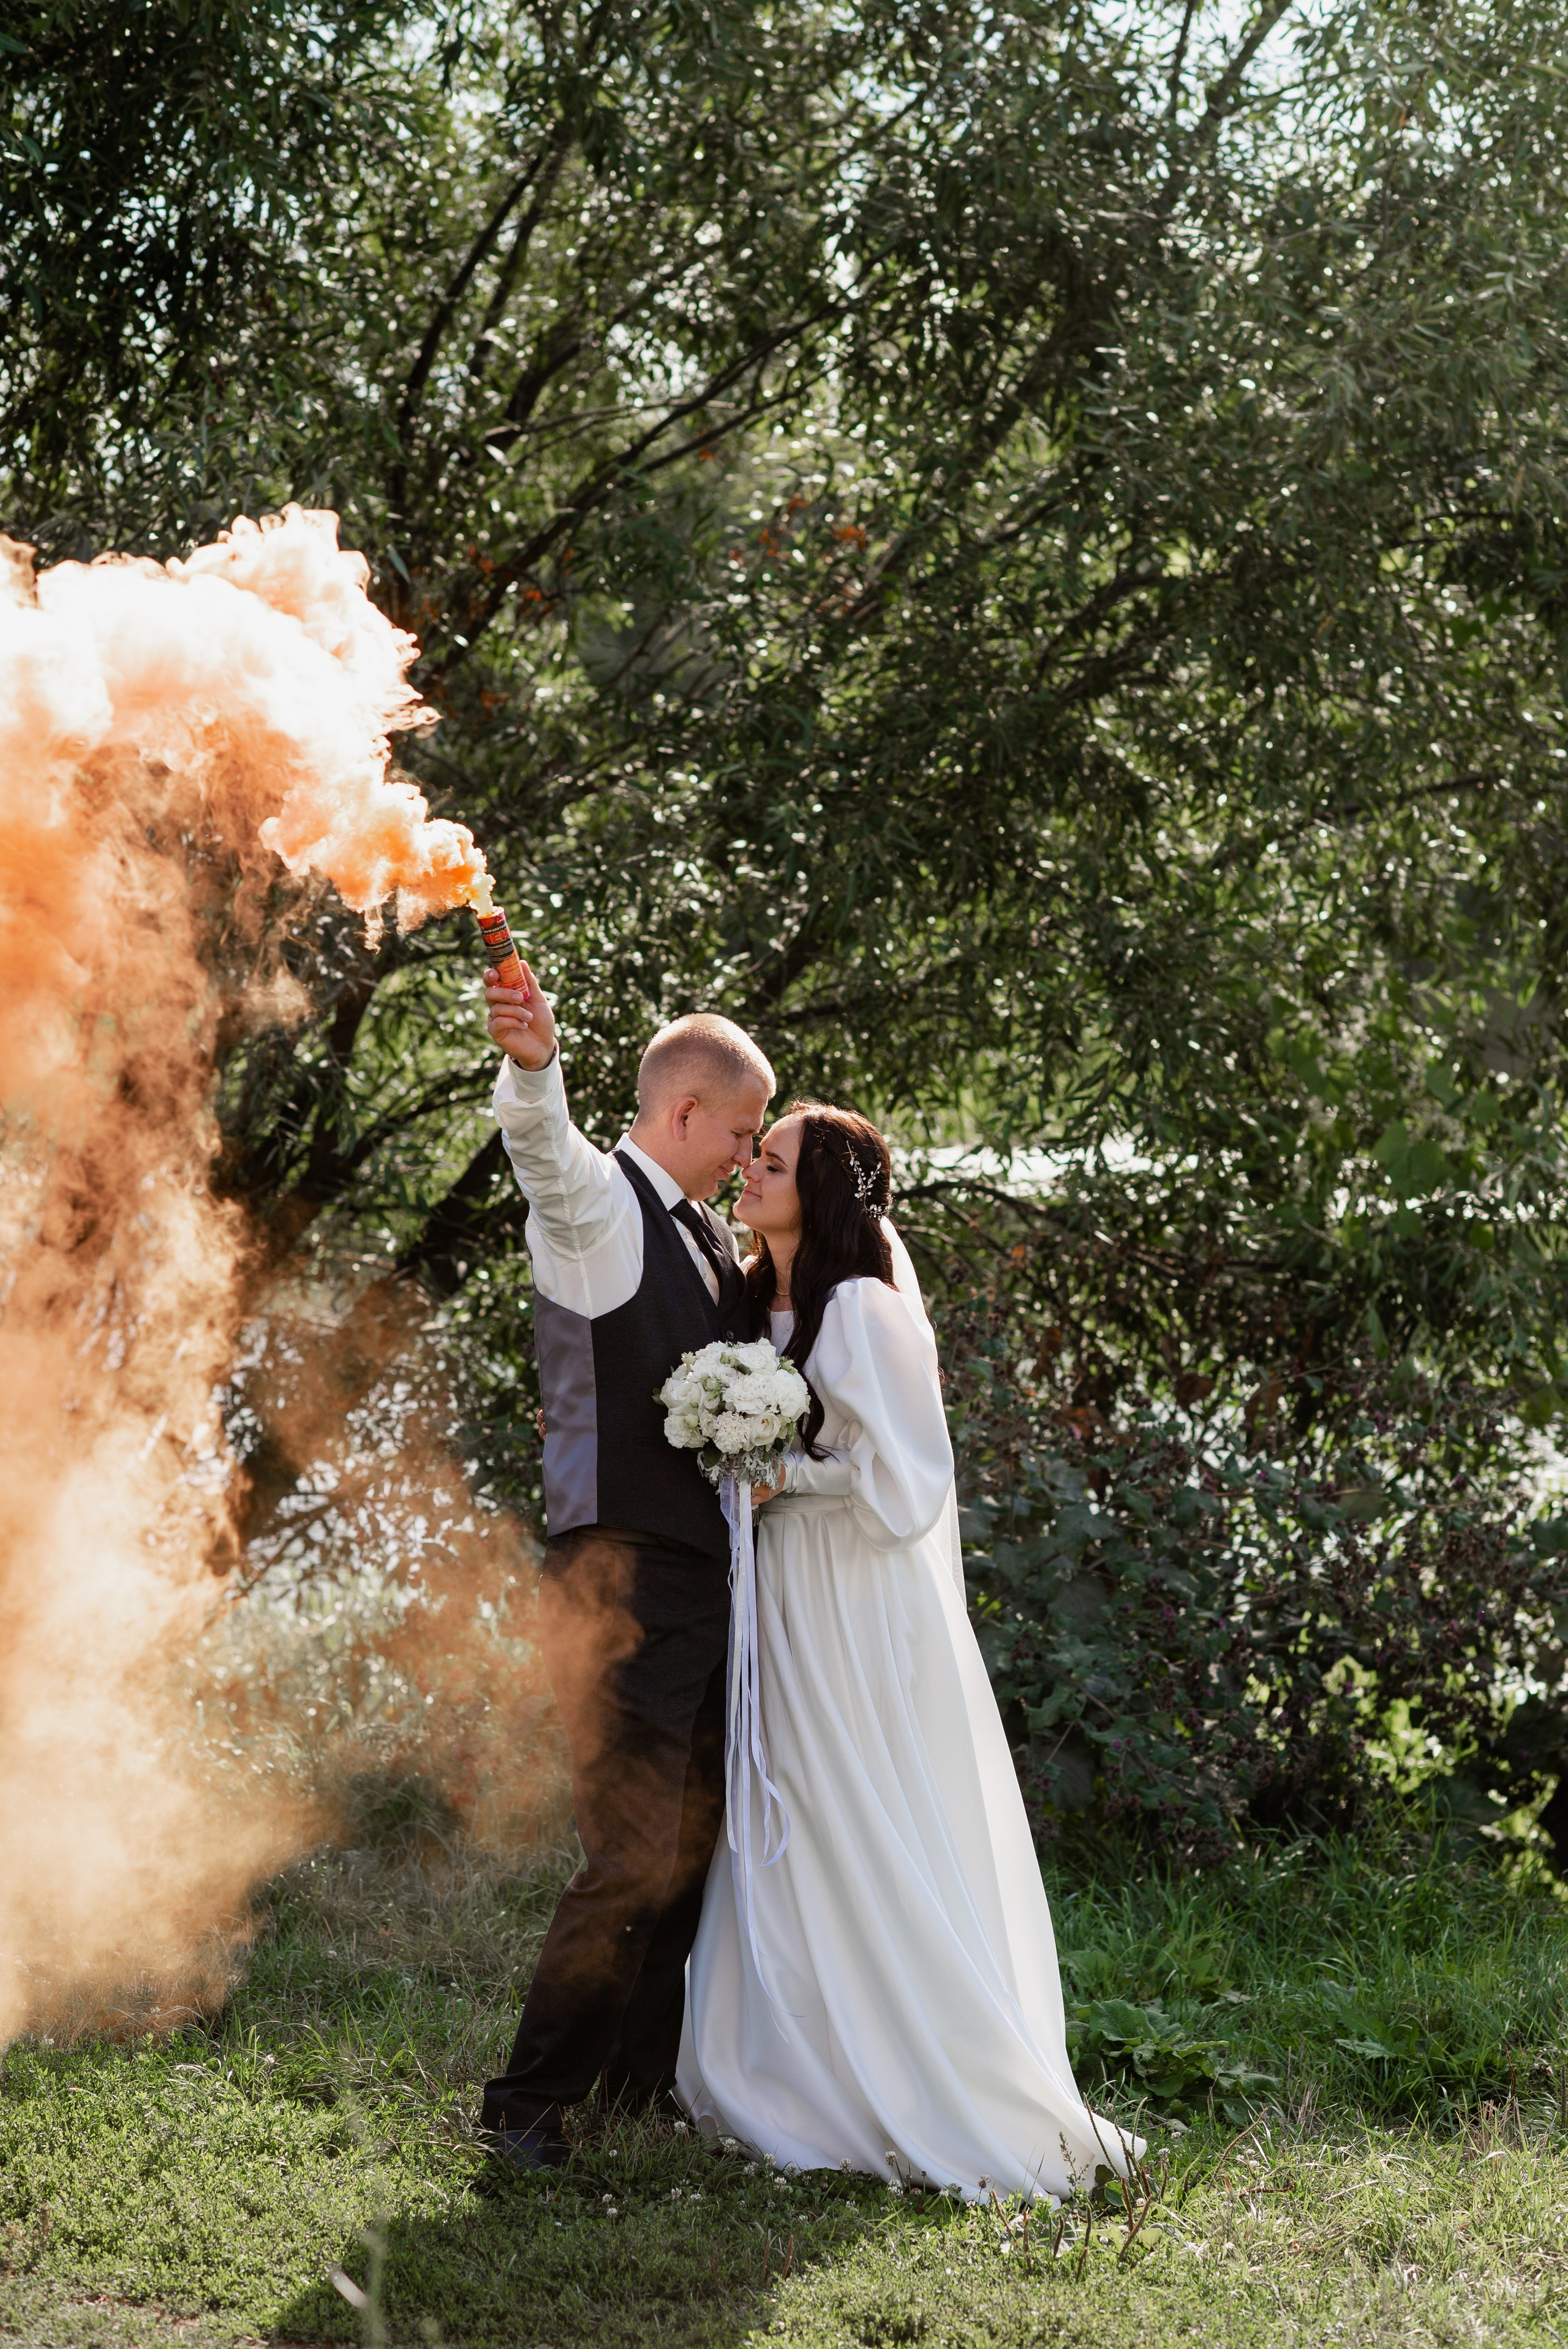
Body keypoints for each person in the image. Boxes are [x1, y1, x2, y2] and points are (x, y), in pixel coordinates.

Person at [676, 1103, 1140, 2201]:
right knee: (784, 1804)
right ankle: (793, 2059)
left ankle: (921, 2071)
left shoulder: (863, 1308)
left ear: (820, 1192)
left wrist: (787, 1474)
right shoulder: (747, 1295)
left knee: (849, 1798)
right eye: (753, 1154)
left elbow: (909, 1481)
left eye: (771, 1161)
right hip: (776, 1590)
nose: (749, 1171)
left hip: (849, 1592)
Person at [478, 957, 775, 2172]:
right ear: (685, 1112)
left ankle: (637, 2086)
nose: (746, 1157)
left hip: (698, 1583)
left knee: (690, 1846)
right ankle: (525, 2107)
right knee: (630, 1854)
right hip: (618, 1583)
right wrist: (536, 1066)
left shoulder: (705, 1237)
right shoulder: (598, 1207)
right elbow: (541, 1151)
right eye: (742, 1134)